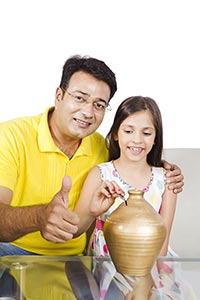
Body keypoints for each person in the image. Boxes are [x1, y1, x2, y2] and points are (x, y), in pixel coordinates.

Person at [0, 55, 183, 258]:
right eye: (80, 98)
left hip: (74, 260)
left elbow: (133, 162)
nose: (88, 112)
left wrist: (164, 169)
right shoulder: (10, 137)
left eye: (99, 105)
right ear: (59, 96)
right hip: (11, 251)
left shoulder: (101, 149)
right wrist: (38, 216)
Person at [75, 96, 196, 299]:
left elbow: (163, 242)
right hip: (109, 263)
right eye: (128, 131)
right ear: (115, 134)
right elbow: (79, 223)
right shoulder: (100, 174)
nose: (137, 140)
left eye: (146, 133)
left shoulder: (166, 180)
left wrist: (146, 282)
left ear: (156, 137)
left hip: (152, 264)